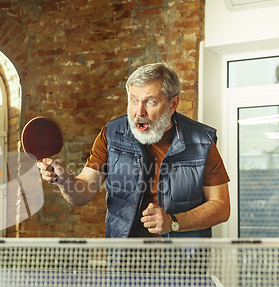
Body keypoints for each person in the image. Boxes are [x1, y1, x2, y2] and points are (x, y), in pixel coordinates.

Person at [38, 62, 230, 238]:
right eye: (134, 100)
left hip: (183, 265)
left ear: (173, 104)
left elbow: (221, 207)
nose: (139, 112)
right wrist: (64, 180)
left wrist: (174, 222)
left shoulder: (202, 141)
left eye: (150, 102)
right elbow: (83, 191)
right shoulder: (111, 134)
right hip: (125, 261)